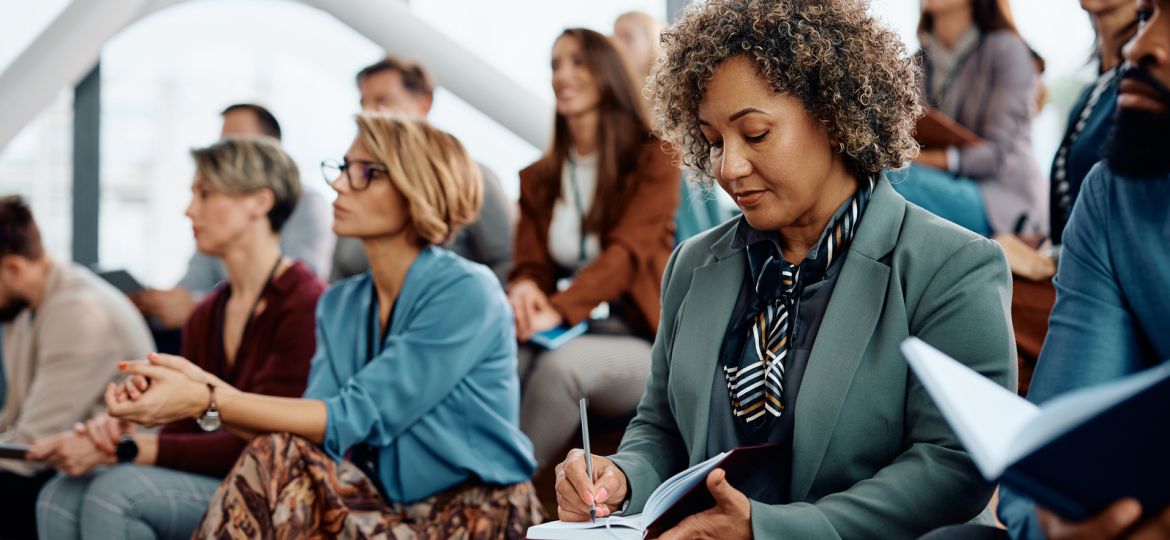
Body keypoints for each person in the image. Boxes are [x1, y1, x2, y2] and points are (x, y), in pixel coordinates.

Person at [552, 1, 1016, 537]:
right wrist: (622, 478)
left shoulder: (952, 267)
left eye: (754, 134)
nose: (728, 167)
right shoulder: (695, 265)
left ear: (836, 118)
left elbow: (953, 465)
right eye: (712, 141)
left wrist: (770, 529)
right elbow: (661, 428)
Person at [105, 113, 544, 538]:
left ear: (418, 188)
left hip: (474, 516)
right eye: (342, 168)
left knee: (275, 455)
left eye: (365, 172)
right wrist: (197, 388)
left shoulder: (467, 291)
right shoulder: (342, 302)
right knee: (277, 451)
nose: (338, 183)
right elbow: (311, 430)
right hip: (385, 510)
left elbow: (353, 416)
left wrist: (205, 398)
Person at [29, 138, 325, 539]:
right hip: (219, 475)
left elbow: (270, 442)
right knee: (58, 495)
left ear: (259, 202)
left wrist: (128, 451)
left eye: (205, 194)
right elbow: (194, 427)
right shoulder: (209, 313)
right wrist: (124, 432)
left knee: (115, 493)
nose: (190, 210)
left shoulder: (305, 303)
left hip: (277, 487)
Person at [997, 0, 1170, 537]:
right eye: (1149, 16)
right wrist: (1059, 527)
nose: (1141, 47)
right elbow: (1041, 477)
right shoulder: (1115, 194)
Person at [508, 28, 680, 472]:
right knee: (507, 352)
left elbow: (626, 255)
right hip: (578, 325)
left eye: (577, 61)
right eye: (555, 64)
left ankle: (500, 494)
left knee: (561, 370)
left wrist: (561, 308)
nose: (562, 74)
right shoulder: (538, 177)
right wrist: (526, 288)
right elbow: (531, 263)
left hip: (643, 337)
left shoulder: (655, 159)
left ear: (607, 72)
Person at [998, 0, 1139, 395]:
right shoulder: (1097, 89)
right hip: (1068, 265)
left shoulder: (1146, 89)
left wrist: (1050, 258)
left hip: (1105, 288)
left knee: (975, 294)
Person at [0, 196, 153, 539]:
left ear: (13, 269)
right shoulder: (26, 310)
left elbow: (29, 445)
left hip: (108, 463)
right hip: (62, 459)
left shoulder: (79, 313)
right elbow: (14, 420)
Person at [135, 103, 333, 331]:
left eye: (237, 142)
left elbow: (299, 282)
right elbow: (193, 282)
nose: (225, 153)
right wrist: (157, 304)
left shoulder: (308, 204)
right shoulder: (215, 235)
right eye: (223, 143)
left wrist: (195, 307)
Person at [330, 56, 514, 284]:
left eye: (382, 101)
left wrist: (468, 310)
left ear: (423, 105)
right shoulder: (354, 190)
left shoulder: (470, 178)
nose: (369, 113)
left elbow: (509, 260)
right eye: (363, 103)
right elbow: (336, 279)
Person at [892, 0, 1047, 238]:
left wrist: (921, 159)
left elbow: (998, 154)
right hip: (935, 182)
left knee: (890, 179)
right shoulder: (915, 63)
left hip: (1000, 200)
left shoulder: (1007, 50)